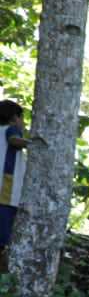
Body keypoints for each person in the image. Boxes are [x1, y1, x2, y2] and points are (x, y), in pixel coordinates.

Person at [0, 100, 26, 265]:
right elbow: (14, 140)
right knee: (3, 240)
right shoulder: (11, 129)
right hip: (6, 192)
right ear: (14, 118)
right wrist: (34, 143)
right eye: (22, 118)